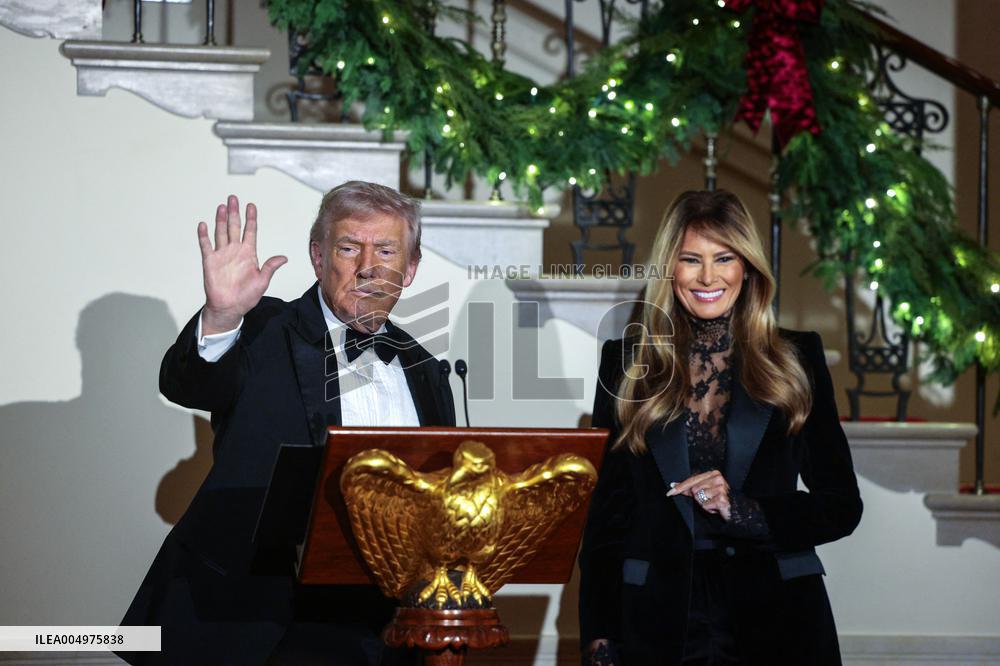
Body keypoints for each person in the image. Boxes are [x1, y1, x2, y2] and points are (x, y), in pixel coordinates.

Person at [118, 181, 456, 665]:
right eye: (348, 248)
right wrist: (221, 315)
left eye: (386, 249)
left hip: (379, 631)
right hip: (251, 624)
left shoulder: (426, 369)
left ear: (410, 269)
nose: (367, 266)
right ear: (318, 258)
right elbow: (187, 384)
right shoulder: (259, 329)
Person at [578, 190, 862, 665]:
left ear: (747, 267)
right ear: (670, 268)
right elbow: (607, 517)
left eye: (724, 258)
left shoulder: (798, 359)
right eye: (691, 259)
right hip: (656, 622)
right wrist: (599, 633)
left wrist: (745, 510)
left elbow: (841, 505)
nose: (708, 277)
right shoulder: (625, 364)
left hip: (779, 620)